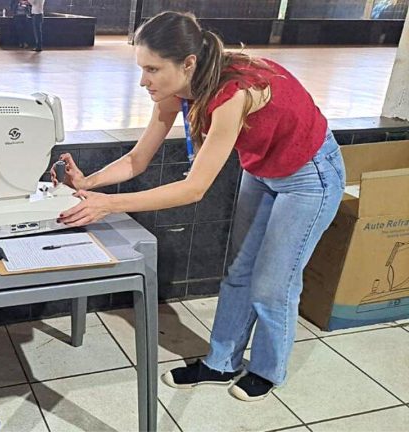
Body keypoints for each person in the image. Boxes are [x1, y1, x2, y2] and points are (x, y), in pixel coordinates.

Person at [52, 11, 345, 401]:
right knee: (240, 271)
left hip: (310, 175)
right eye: (142, 68)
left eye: (153, 69)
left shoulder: (232, 94)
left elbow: (194, 189)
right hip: (262, 170)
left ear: (188, 63)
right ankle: (221, 363)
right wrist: (88, 183)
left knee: (274, 284)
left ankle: (268, 370)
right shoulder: (176, 90)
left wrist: (108, 204)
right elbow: (137, 160)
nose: (144, 80)